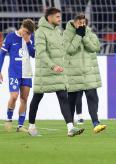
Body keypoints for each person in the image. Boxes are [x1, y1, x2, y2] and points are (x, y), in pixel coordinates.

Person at [27, 7, 84, 137]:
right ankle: (31, 126)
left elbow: (61, 51)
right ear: (49, 17)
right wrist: (53, 66)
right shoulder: (40, 31)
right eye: (57, 17)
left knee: (63, 96)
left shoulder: (58, 31)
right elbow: (40, 53)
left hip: (58, 71)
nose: (60, 19)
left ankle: (70, 128)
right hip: (45, 72)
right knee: (37, 98)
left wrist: (64, 64)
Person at [64, 13, 107, 133]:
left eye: (84, 23)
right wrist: (78, 36)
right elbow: (69, 50)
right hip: (73, 73)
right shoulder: (66, 35)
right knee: (72, 100)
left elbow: (95, 47)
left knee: (93, 97)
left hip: (89, 73)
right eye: (79, 23)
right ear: (74, 22)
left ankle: (96, 123)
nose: (82, 25)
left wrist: (84, 37)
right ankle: (71, 126)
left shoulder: (89, 33)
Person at [0, 19, 35, 132]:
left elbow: (34, 54)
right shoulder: (10, 36)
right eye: (25, 31)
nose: (26, 34)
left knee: (24, 99)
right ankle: (9, 119)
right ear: (21, 27)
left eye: (29, 33)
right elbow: (2, 54)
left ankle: (20, 125)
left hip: (27, 73)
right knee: (14, 96)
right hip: (14, 73)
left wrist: (28, 41)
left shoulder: (30, 38)